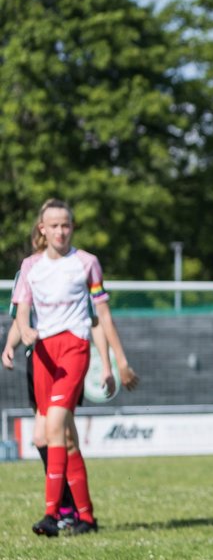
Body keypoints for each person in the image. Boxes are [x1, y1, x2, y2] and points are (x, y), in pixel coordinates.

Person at [12, 199, 138, 536]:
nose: (60, 231)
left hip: (74, 348)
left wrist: (117, 362)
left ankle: (53, 515)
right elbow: (21, 308)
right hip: (42, 353)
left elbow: (103, 315)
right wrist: (21, 334)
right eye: (54, 225)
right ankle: (86, 517)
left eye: (66, 225)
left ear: (72, 227)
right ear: (42, 229)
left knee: (54, 426)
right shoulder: (30, 267)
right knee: (62, 438)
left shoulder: (87, 263)